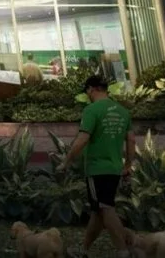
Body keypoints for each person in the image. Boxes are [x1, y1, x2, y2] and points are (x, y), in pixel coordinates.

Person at [65, 74, 137, 255]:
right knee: (98, 212)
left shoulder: (92, 110)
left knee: (105, 209)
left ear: (92, 89)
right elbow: (131, 140)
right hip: (114, 168)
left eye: (87, 91)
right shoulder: (123, 112)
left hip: (97, 169)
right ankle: (83, 250)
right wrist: (128, 164)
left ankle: (124, 250)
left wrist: (67, 160)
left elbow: (82, 139)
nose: (87, 94)